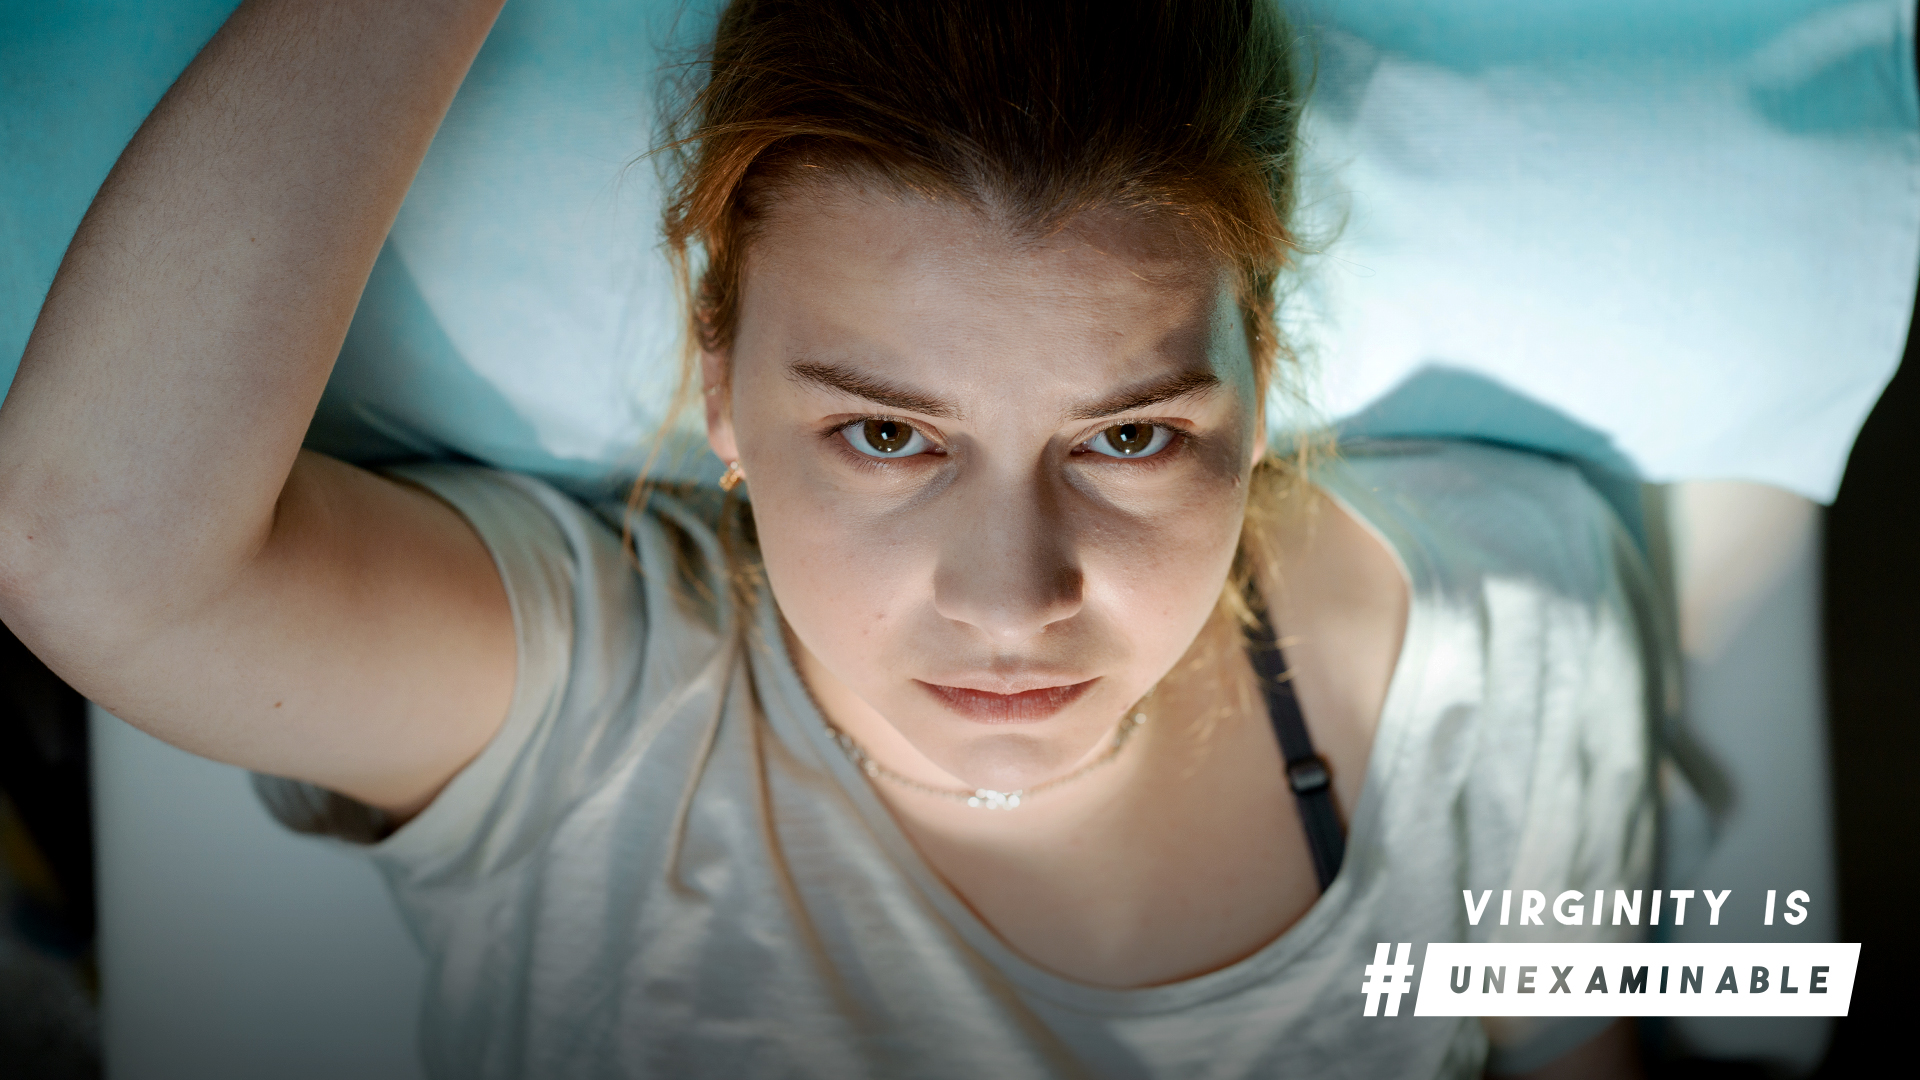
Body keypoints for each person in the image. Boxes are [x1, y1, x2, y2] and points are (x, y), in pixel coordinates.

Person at [0, 0, 1662, 1076]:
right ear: (718, 388)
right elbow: (94, 549)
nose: (1014, 602)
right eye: (886, 435)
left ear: (1261, 376)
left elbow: (1656, 1013)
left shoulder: (1507, 642)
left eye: (1130, 437)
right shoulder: (606, 726)